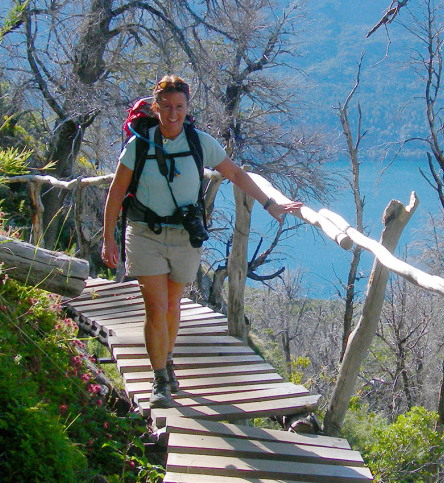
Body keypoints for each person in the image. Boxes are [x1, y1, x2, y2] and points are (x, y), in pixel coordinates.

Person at [101, 74, 301, 408]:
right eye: (165, 106)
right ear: (156, 107)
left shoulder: (200, 143)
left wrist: (270, 203)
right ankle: (160, 379)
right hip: (144, 232)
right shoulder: (138, 144)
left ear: (187, 107)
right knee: (156, 307)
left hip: (184, 237)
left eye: (179, 107)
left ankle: (167, 359)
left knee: (173, 305)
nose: (172, 114)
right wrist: (109, 238)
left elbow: (236, 174)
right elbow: (117, 191)